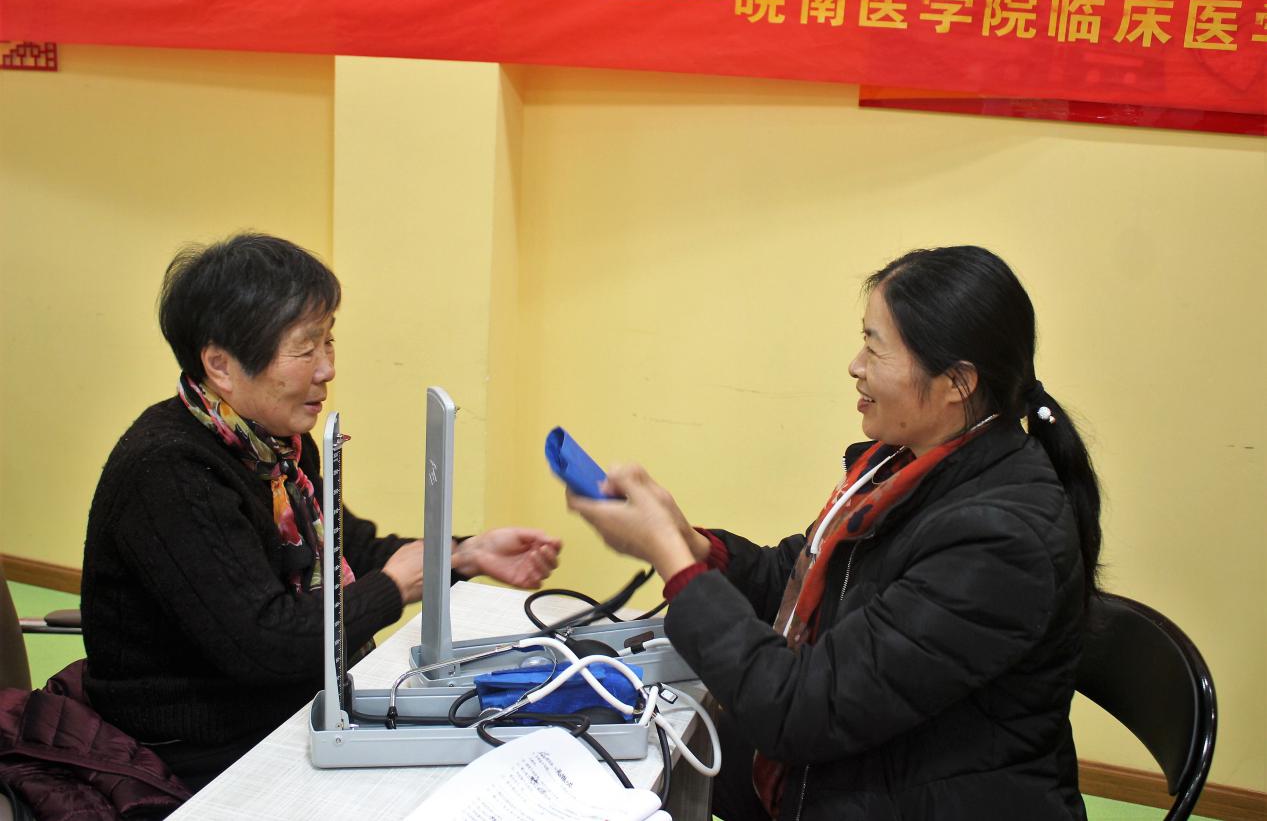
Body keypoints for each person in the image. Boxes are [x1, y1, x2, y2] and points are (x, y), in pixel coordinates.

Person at [568, 246, 1101, 820]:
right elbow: (804, 582)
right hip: (868, 767)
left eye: (875, 346)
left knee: (656, 765)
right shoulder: (906, 464)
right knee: (632, 760)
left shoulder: (999, 540)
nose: (855, 365)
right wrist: (697, 547)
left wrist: (673, 562)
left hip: (913, 797)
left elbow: (798, 711)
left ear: (957, 382)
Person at [80, 232, 561, 792]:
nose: (327, 368)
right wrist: (392, 588)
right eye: (305, 348)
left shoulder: (275, 444)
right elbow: (262, 644)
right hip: (192, 749)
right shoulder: (169, 470)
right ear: (220, 364)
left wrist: (462, 555)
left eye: (329, 341)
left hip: (282, 704)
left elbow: (348, 547)